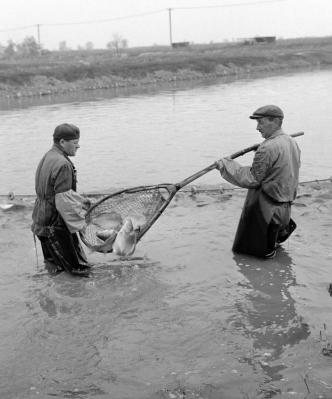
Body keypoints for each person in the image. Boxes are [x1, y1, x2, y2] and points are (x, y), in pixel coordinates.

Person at [216, 105, 301, 259]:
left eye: (261, 122)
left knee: (251, 256)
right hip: (284, 211)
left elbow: (252, 179)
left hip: (268, 212)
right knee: (271, 253)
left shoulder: (267, 147)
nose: (257, 128)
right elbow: (278, 168)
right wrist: (261, 150)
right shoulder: (290, 141)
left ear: (274, 121)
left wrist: (226, 166)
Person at [31, 123, 92, 276]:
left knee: (55, 269)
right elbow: (63, 202)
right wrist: (81, 225)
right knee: (79, 271)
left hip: (41, 222)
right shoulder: (63, 164)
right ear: (63, 142)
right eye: (75, 142)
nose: (78, 146)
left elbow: (54, 192)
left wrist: (81, 201)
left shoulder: (48, 156)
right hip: (55, 226)